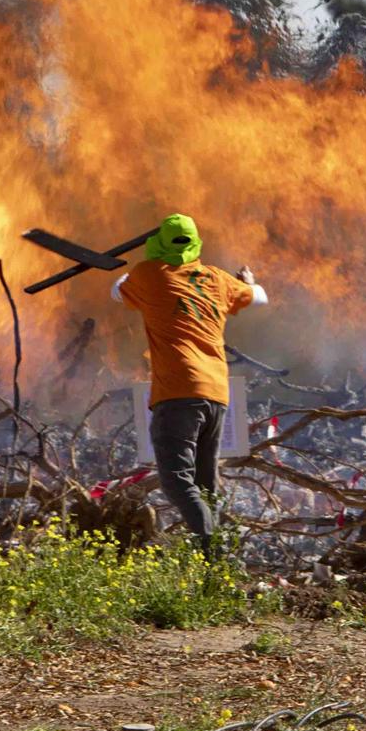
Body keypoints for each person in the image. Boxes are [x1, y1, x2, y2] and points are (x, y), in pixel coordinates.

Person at [111, 213, 266, 552]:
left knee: (177, 480)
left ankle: (214, 551)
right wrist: (249, 282)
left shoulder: (149, 274)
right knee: (205, 483)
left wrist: (126, 270)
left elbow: (116, 290)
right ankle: (222, 561)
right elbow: (260, 296)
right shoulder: (216, 279)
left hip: (177, 392)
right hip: (216, 394)